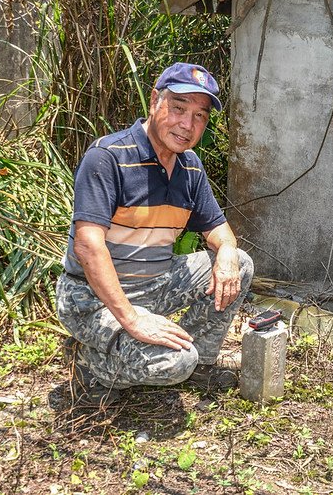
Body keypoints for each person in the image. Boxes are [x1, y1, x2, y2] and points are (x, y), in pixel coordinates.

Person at [56, 62, 254, 406]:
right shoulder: (107, 157)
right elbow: (88, 248)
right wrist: (132, 320)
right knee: (176, 362)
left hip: (155, 285)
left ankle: (199, 362)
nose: (187, 125)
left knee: (239, 262)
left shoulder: (189, 166)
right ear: (154, 101)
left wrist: (225, 252)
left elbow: (219, 230)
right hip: (94, 298)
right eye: (178, 109)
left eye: (199, 116)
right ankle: (91, 365)